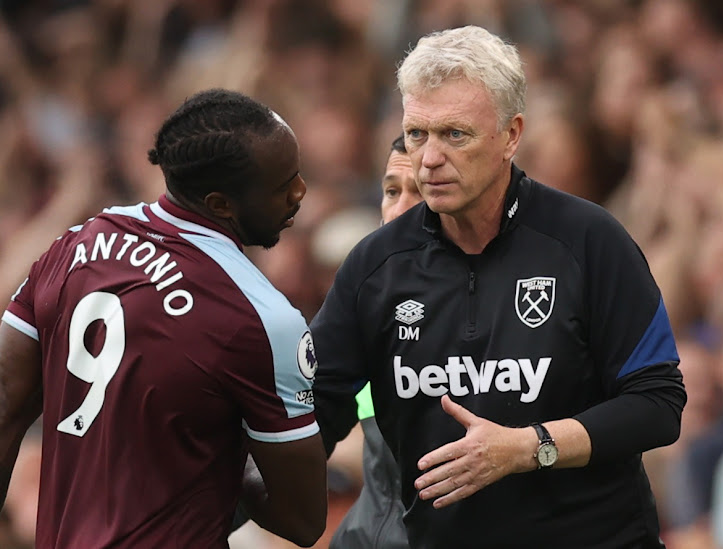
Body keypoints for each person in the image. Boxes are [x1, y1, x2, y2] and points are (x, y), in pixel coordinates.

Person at [311, 25, 686, 549]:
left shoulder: (589, 241)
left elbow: (658, 404)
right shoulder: (375, 267)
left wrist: (529, 447)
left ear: (511, 135)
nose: (429, 158)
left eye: (454, 134)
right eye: (417, 134)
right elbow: (313, 414)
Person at [0, 88, 327, 548]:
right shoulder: (260, 318)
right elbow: (303, 520)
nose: (300, 192)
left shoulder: (72, 246)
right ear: (219, 205)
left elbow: (4, 403)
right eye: (282, 186)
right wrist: (230, 462)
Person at [328, 134, 421, 549]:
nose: (399, 209)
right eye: (391, 191)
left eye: (418, 192)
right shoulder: (365, 302)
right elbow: (318, 407)